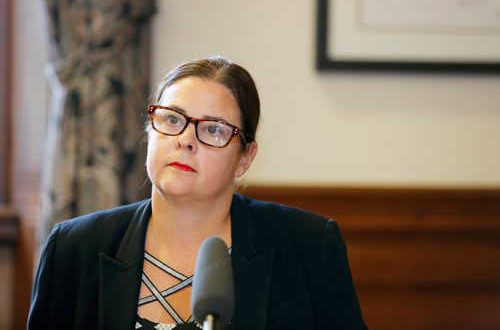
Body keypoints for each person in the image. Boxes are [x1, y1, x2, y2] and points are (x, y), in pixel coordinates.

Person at [28, 56, 367, 330]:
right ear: (150, 131)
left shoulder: (309, 246)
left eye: (213, 129)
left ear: (244, 159)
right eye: (173, 119)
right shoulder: (74, 249)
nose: (186, 139)